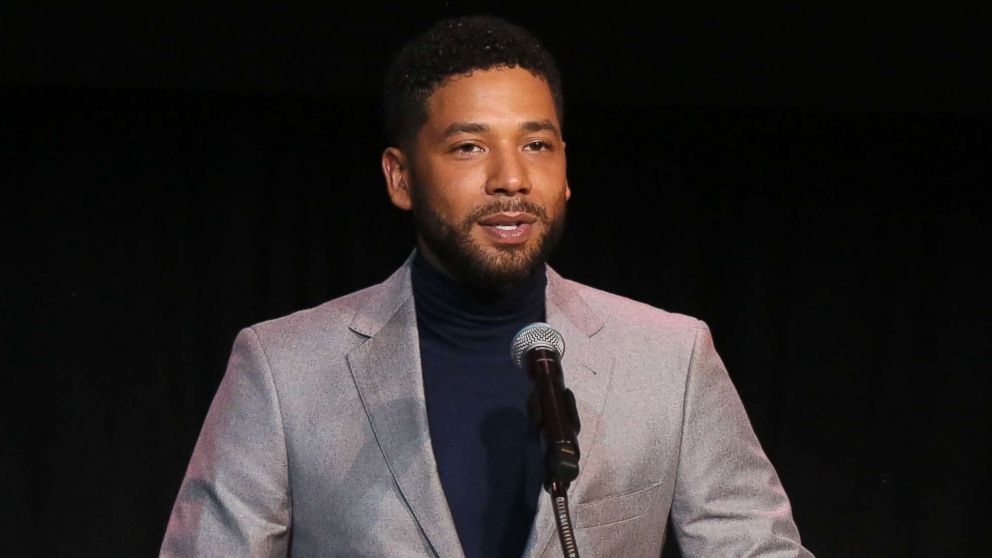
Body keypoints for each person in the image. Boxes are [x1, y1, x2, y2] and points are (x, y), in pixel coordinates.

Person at [161, 15, 813, 558]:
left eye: (537, 145)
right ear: (400, 177)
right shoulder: (283, 368)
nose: (511, 178)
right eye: (469, 148)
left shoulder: (671, 358)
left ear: (564, 171)